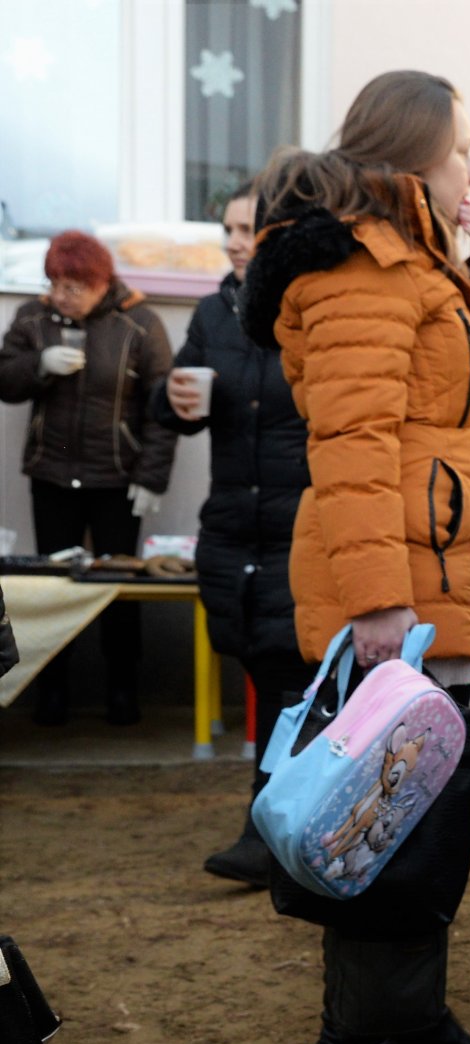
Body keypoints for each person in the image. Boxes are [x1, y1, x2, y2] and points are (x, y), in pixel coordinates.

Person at [243, 69, 470, 1044]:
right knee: (378, 820)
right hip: (396, 593)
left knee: (428, 818)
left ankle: (410, 1012)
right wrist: (376, 604)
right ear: (412, 159)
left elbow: (466, 403)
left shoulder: (414, 265)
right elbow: (352, 448)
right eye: (462, 152)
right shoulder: (361, 273)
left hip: (431, 578)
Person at [147, 180, 312, 888]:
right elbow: (179, 393)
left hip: (295, 525)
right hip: (234, 527)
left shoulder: (307, 307)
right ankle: (279, 829)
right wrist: (171, 398)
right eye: (230, 231)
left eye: (250, 229)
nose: (238, 243)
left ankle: (272, 833)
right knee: (266, 673)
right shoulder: (216, 311)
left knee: (290, 683)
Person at [0, 230, 176, 726]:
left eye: (73, 286)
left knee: (119, 586)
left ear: (102, 283)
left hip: (116, 479)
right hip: (51, 476)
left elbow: (161, 409)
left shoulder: (140, 323)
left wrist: (152, 477)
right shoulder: (33, 318)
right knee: (55, 588)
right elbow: (5, 380)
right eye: (55, 283)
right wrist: (39, 365)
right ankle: (53, 695)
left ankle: (123, 692)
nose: (61, 296)